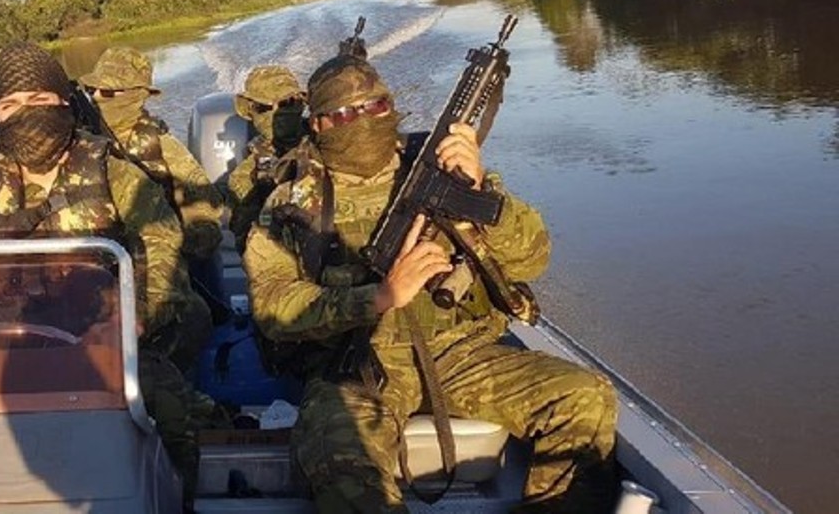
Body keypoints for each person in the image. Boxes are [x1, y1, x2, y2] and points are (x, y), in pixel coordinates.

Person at [243, 54, 618, 513]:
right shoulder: (292, 203)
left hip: (460, 351)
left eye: (375, 108)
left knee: (585, 396)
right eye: (343, 114)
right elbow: (274, 307)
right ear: (318, 126)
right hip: (361, 364)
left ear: (392, 108)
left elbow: (532, 259)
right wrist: (379, 297)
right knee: (338, 456)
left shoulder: (443, 171)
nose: (361, 120)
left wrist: (480, 194)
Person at [0, 42, 220, 508]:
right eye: (11, 103)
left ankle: (175, 496)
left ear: (64, 101)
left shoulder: (121, 179)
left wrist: (133, 320)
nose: (26, 112)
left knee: (169, 408)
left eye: (39, 99)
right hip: (7, 349)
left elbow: (165, 256)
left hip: (107, 342)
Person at [79, 46, 225, 262]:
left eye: (107, 92)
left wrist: (180, 246)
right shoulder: (78, 140)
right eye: (91, 91)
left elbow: (201, 201)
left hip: (154, 254)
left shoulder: (159, 142)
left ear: (137, 95)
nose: (97, 97)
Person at [226, 65, 306, 253]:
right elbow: (248, 245)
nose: (278, 113)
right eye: (264, 107)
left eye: (288, 104)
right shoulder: (244, 179)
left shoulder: (330, 143)